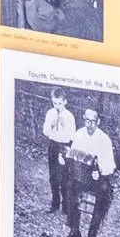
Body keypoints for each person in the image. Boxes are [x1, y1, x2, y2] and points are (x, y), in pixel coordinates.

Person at [63, 105, 118, 237]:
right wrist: (66, 158)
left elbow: (111, 166)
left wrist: (100, 170)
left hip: (97, 178)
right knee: (69, 188)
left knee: (104, 194)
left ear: (98, 121)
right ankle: (75, 232)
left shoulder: (105, 140)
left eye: (92, 121)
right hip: (80, 177)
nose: (89, 125)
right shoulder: (79, 134)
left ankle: (92, 234)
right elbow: (73, 154)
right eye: (86, 121)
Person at [39, 88, 76, 216]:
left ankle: (66, 206)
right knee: (52, 177)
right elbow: (45, 132)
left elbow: (71, 136)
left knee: (64, 178)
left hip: (64, 146)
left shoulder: (69, 116)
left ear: (65, 102)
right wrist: (51, 126)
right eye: (55, 103)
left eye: (60, 103)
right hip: (53, 145)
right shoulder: (50, 113)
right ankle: (55, 204)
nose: (57, 106)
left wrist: (63, 127)